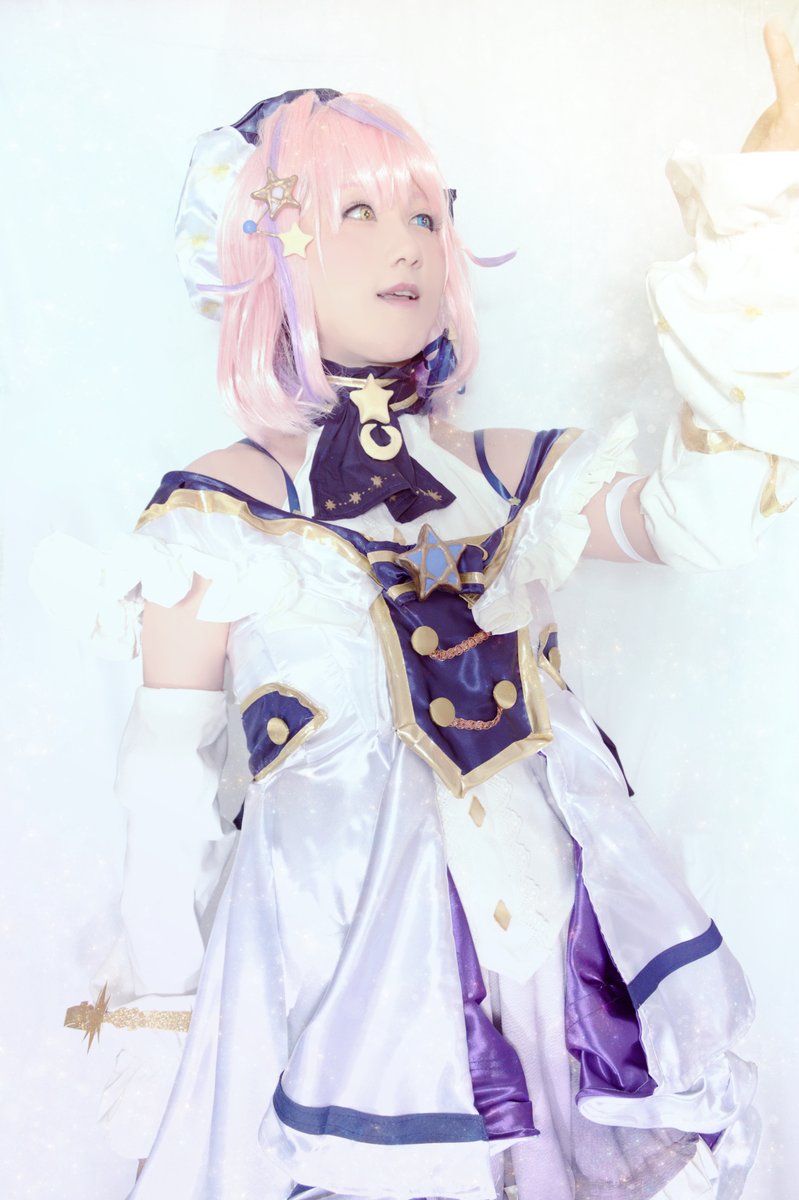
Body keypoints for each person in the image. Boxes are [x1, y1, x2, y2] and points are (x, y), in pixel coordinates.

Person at [47, 21, 799, 1200]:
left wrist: (759, 213)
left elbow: (700, 521)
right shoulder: (218, 510)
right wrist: (159, 1023)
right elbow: (163, 787)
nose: (408, 244)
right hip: (327, 983)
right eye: (357, 211)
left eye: (426, 214)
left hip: (546, 974)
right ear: (265, 248)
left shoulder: (507, 475)